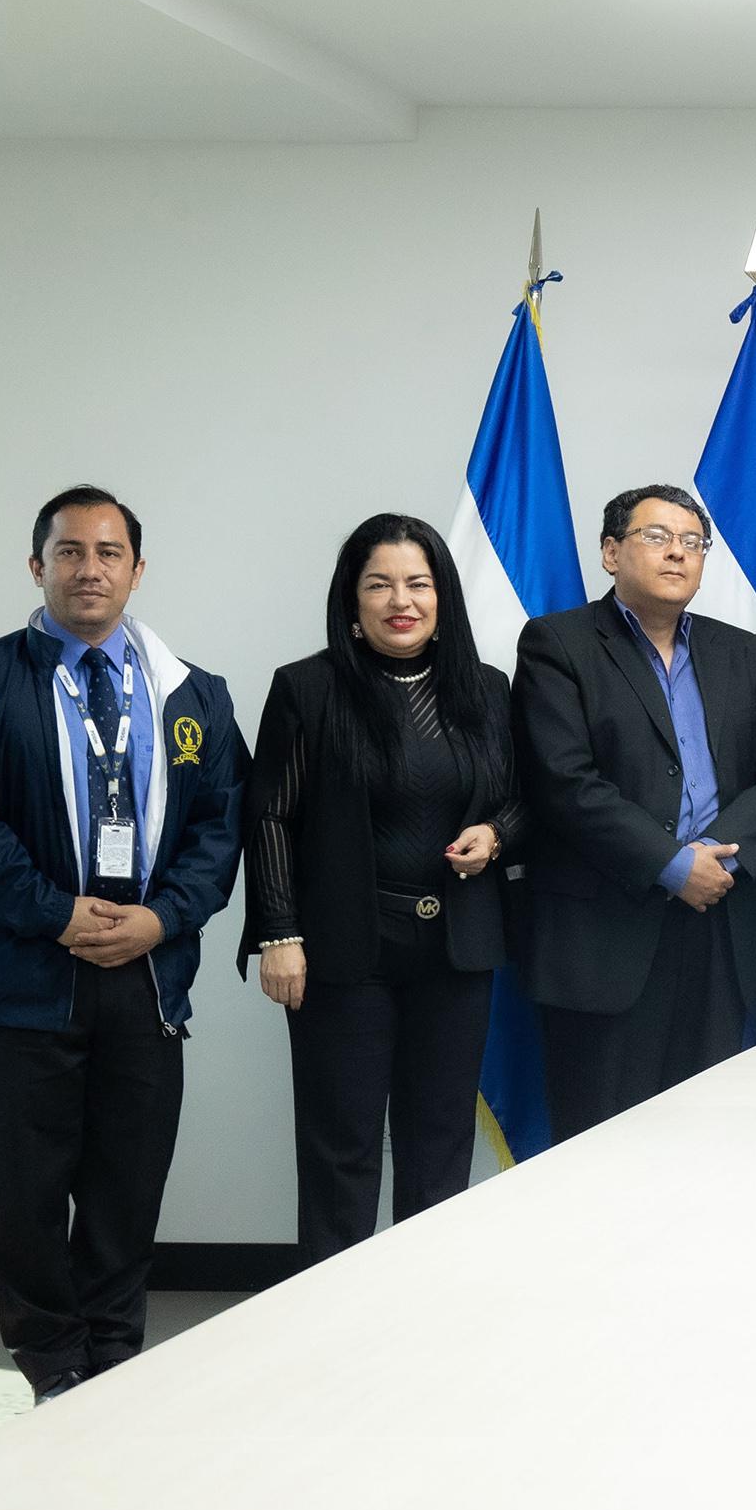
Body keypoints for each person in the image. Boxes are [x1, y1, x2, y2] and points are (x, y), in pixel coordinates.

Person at [0, 487, 245, 1402]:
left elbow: (221, 828)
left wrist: (163, 919)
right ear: (36, 566)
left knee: (128, 1180)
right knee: (29, 1185)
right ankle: (51, 1360)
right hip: (23, 979)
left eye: (108, 552)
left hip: (147, 977)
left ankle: (114, 1354)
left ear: (137, 569)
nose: (88, 568)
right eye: (68, 552)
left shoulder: (192, 695)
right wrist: (54, 911)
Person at [242, 517, 522, 1267]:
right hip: (344, 952)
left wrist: (495, 835)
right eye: (380, 584)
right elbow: (270, 813)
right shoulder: (308, 688)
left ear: (442, 596)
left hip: (455, 950)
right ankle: (329, 1323)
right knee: (344, 1148)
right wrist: (279, 934)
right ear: (352, 598)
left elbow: (526, 800)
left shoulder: (487, 691)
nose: (401, 600)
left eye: (418, 584)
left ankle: (423, 1313)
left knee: (439, 1144)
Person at [513, 485, 756, 1138]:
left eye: (692, 542)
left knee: (704, 1137)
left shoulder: (740, 651)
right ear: (611, 552)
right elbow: (564, 782)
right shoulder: (557, 645)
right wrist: (672, 863)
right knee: (601, 1142)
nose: (677, 553)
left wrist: (718, 858)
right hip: (606, 929)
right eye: (657, 537)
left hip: (719, 922)